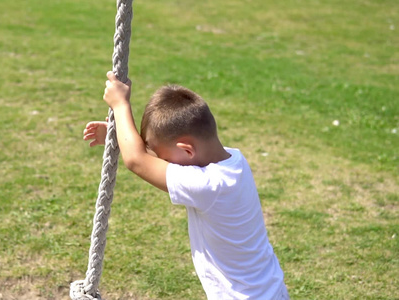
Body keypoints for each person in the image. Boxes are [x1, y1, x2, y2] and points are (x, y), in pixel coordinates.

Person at [82, 71, 289, 300]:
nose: (162, 162)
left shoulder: (208, 186)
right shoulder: (233, 160)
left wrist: (121, 106)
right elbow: (149, 154)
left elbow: (137, 161)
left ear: (187, 150)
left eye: (165, 158)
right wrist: (121, 135)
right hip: (271, 289)